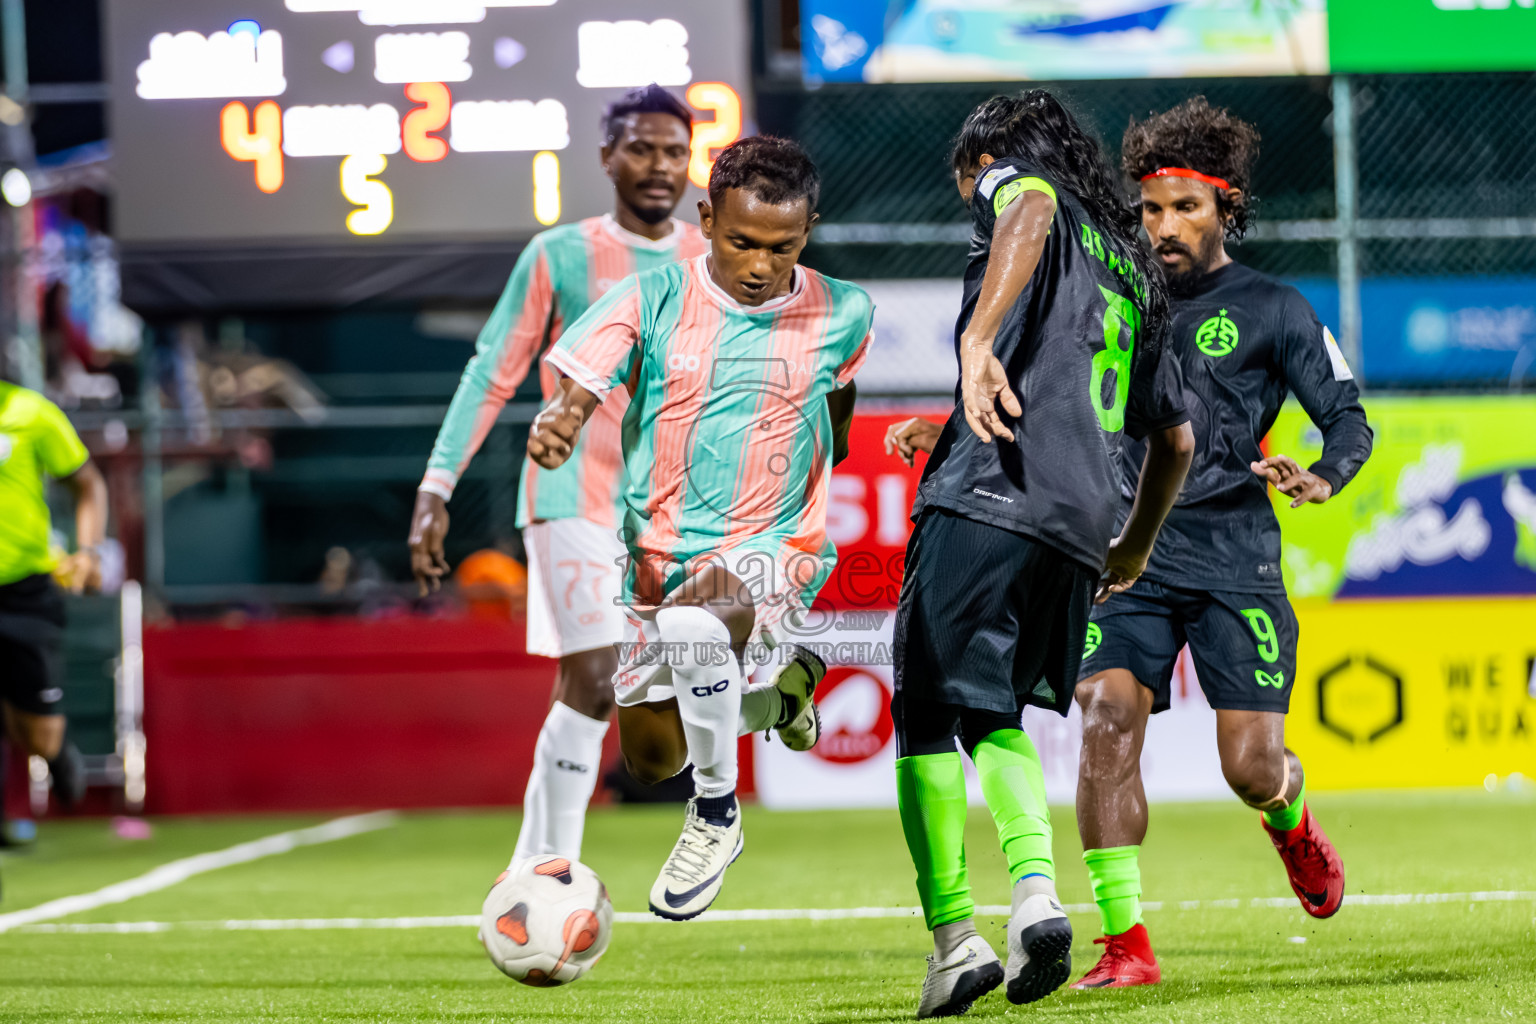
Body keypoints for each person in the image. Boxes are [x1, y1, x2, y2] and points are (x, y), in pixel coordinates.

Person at [882, 91, 1194, 1018]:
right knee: (994, 712)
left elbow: (1025, 206)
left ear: (992, 158)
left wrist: (977, 342)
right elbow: (1172, 440)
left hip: (986, 503)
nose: (970, 196)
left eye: (967, 180)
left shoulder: (1023, 189)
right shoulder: (1134, 269)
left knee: (925, 714)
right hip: (1078, 530)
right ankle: (1034, 896)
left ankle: (954, 939)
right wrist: (1130, 547)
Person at [526, 135, 872, 921]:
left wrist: (826, 457)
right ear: (707, 217)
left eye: (781, 248)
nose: (759, 264)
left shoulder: (844, 309)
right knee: (654, 756)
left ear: (807, 233)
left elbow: (838, 396)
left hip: (776, 543)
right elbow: (583, 382)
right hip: (658, 551)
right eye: (742, 242)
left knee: (697, 623)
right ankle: (780, 703)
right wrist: (563, 420)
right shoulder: (651, 297)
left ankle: (716, 815)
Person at [1070, 97, 1374, 989]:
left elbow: (1347, 420)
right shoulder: (1109, 295)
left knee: (1249, 767)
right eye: (1152, 208)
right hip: (1128, 559)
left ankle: (1292, 820)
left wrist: (1324, 474)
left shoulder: (1276, 307)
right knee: (1106, 719)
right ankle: (1125, 944)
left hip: (1236, 557)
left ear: (1226, 208)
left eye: (1186, 208)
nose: (1163, 226)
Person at [411, 85, 725, 863]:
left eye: (676, 153)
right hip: (571, 497)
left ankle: (543, 859)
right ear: (607, 155)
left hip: (677, 515)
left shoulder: (712, 259)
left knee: (654, 728)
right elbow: (492, 372)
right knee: (589, 674)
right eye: (643, 149)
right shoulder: (558, 254)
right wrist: (436, 487)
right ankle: (546, 870)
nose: (660, 166)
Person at [0, 377, 110, 868]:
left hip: (25, 590)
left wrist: (88, 551)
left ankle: (58, 750)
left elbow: (87, 484)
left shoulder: (31, 413)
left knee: (36, 733)